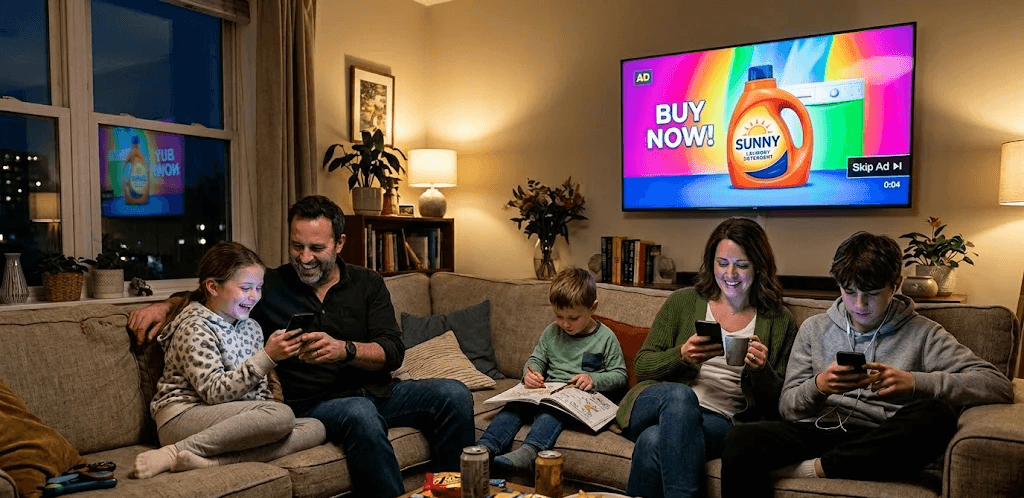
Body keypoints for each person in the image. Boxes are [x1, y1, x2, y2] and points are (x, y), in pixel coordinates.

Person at [129, 196, 475, 498]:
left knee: (454, 394)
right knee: (359, 413)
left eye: (316, 248)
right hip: (315, 403)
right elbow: (214, 296)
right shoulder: (270, 285)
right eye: (297, 246)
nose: (305, 257)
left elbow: (393, 351)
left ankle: (449, 494)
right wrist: (164, 306)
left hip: (380, 391)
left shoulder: (367, 283)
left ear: (339, 243)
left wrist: (345, 350)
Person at [720, 232, 1015, 498]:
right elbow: (787, 407)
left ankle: (816, 469)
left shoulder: (924, 333)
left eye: (871, 294)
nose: (859, 305)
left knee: (937, 416)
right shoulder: (814, 328)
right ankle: (833, 463)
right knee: (741, 438)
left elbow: (997, 384)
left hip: (881, 437)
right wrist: (819, 386)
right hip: (818, 430)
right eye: (850, 292)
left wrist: (914, 382)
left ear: (895, 285)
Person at [615, 217, 798, 498]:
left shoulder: (778, 320)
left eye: (742, 265)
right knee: (681, 397)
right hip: (660, 401)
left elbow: (782, 403)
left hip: (722, 419)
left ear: (759, 266)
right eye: (722, 263)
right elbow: (643, 366)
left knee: (652, 441)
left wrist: (762, 370)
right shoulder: (683, 301)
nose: (730, 274)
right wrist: (682, 355)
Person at [132, 241, 325, 479]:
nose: (254, 296)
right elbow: (213, 393)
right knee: (281, 416)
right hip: (182, 417)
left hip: (232, 418)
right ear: (213, 286)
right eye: (246, 288)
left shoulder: (251, 327)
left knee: (315, 427)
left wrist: (266, 421)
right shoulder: (194, 327)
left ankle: (213, 462)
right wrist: (267, 357)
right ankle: (174, 452)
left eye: (259, 287)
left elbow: (261, 392)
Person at [476, 267, 627, 471]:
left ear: (593, 308)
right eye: (559, 316)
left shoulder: (605, 338)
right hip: (550, 392)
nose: (565, 324)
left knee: (551, 413)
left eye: (573, 318)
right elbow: (536, 360)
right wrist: (530, 374)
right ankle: (485, 447)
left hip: (581, 400)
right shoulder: (551, 333)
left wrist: (594, 379)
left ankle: (531, 451)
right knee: (514, 406)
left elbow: (620, 375)